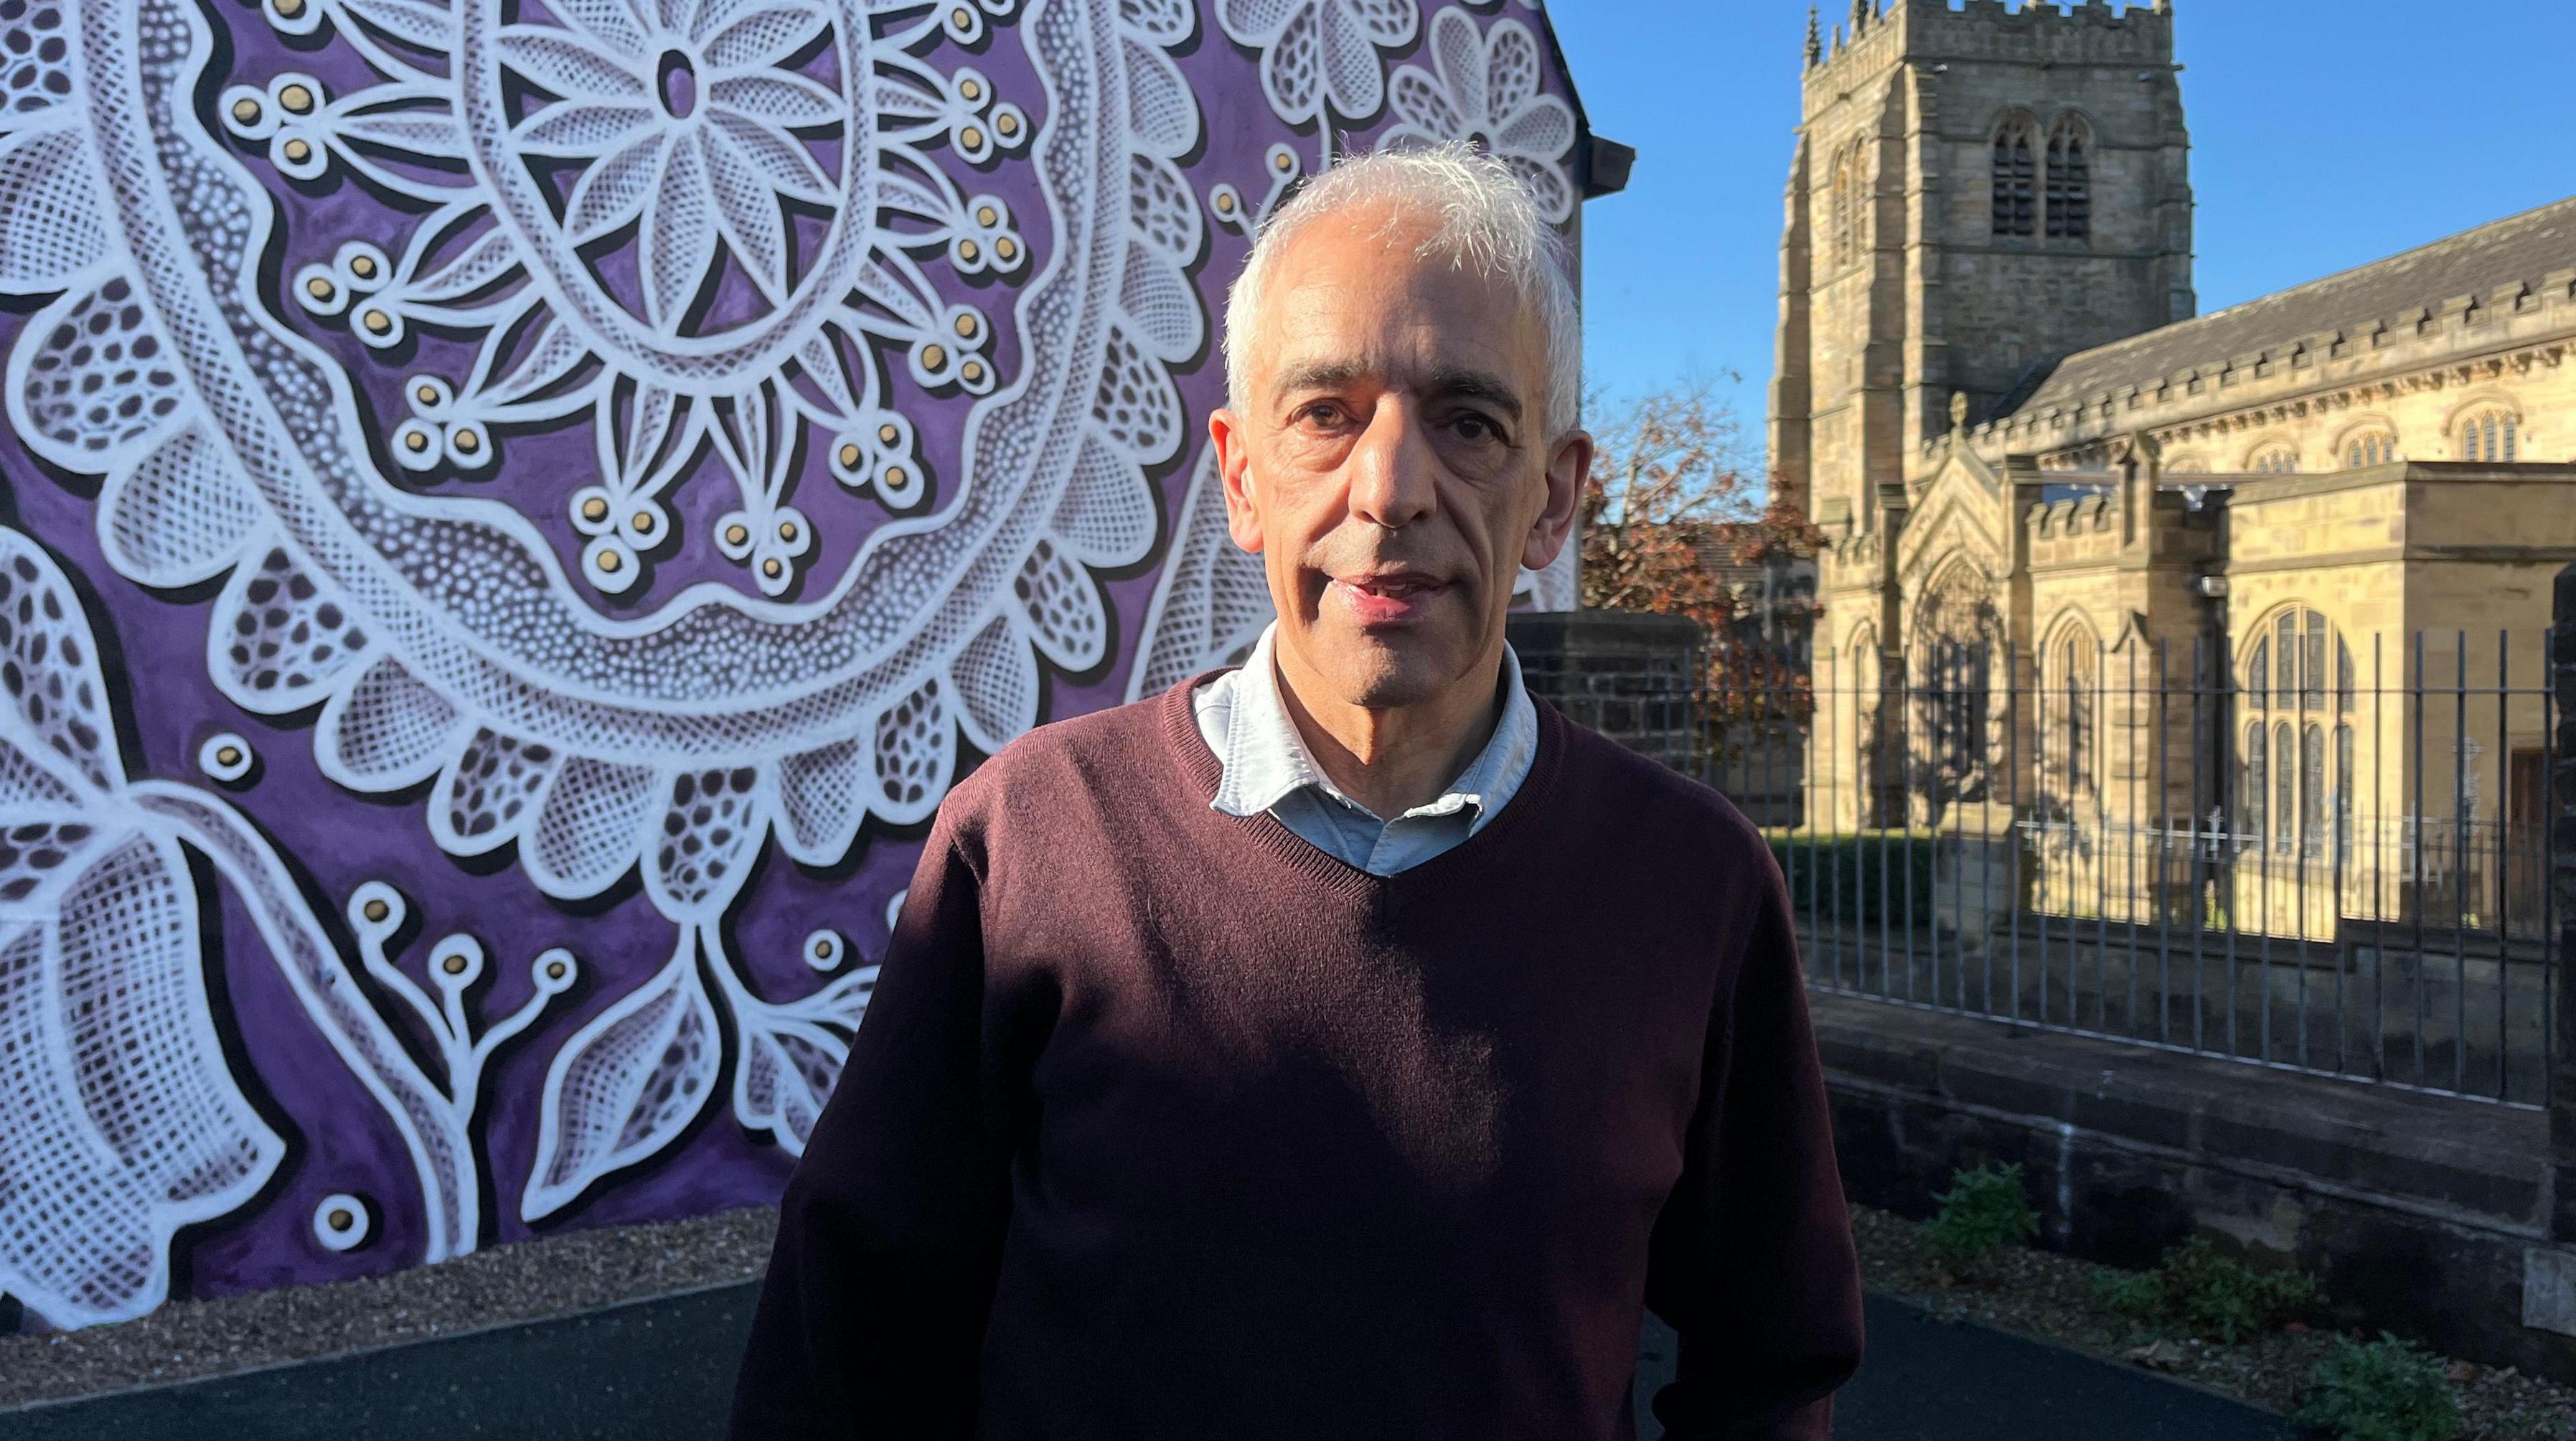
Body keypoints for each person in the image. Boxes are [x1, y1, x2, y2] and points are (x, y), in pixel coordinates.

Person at [729, 143, 1861, 1440]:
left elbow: (1770, 1370)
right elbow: (849, 1343)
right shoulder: (1032, 842)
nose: (1389, 490)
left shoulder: (1693, 888)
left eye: (1470, 423)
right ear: (1242, 475)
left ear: (1553, 500)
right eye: (1326, 413)